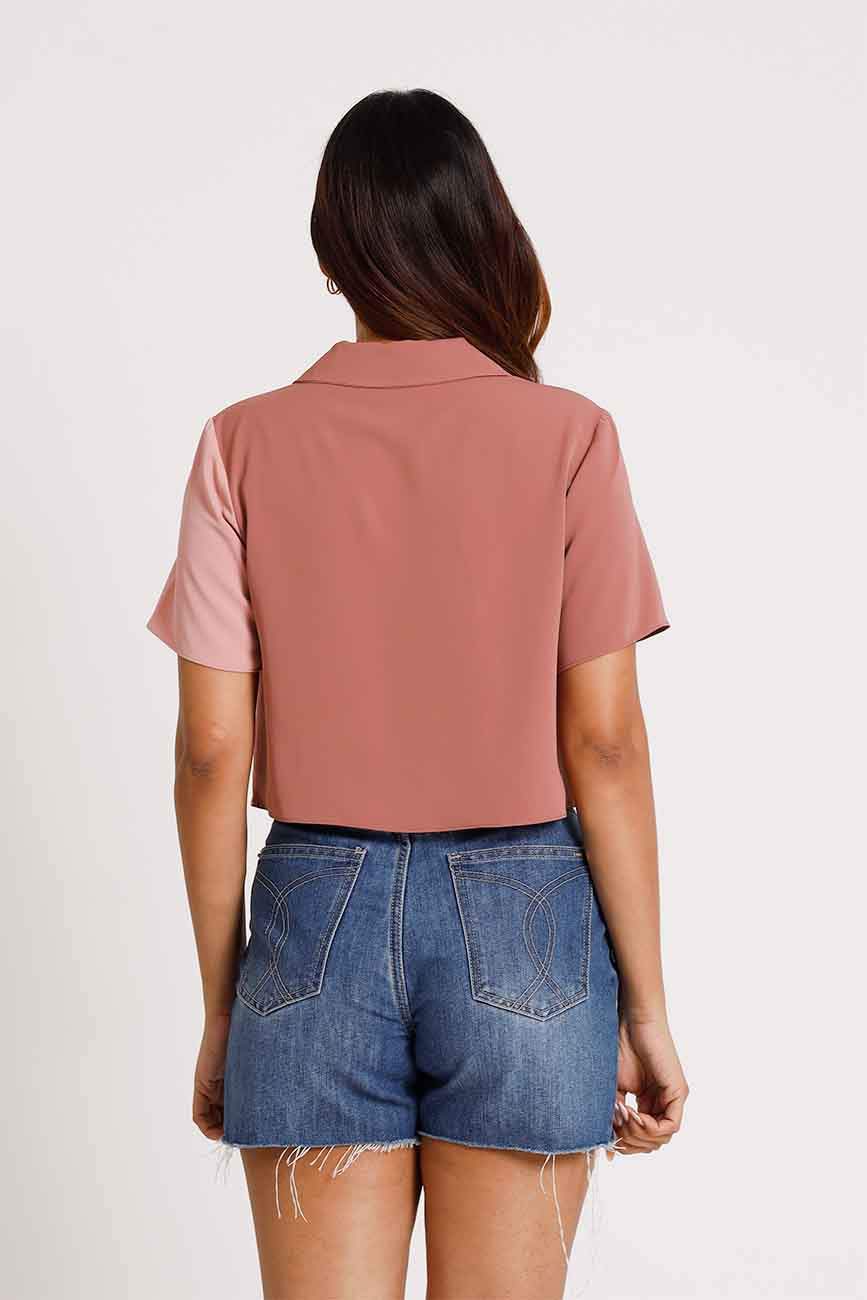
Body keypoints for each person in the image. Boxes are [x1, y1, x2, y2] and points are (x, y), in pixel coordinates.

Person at [147, 87, 688, 1300]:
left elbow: (211, 749)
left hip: (312, 918)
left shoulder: (240, 442)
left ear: (330, 254)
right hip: (528, 919)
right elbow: (603, 740)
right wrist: (647, 1008)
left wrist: (226, 1005)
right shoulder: (571, 438)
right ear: (485, 232)